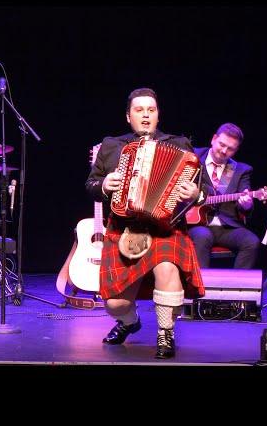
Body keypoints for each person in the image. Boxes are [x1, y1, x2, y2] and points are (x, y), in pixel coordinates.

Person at [86, 87, 205, 359]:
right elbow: (91, 185)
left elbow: (204, 188)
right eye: (139, 110)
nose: (146, 115)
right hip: (124, 228)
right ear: (128, 116)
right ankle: (129, 322)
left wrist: (195, 194)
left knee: (167, 267)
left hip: (165, 228)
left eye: (151, 110)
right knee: (115, 303)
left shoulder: (179, 145)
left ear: (158, 115)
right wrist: (103, 185)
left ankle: (166, 333)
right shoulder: (111, 145)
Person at [187, 123, 261, 270]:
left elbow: (245, 207)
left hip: (227, 227)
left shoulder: (241, 170)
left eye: (231, 149)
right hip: (197, 224)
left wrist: (246, 205)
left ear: (236, 150)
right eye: (222, 144)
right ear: (214, 139)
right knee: (202, 237)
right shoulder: (193, 157)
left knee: (252, 242)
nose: (224, 151)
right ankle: (200, 290)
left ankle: (238, 290)